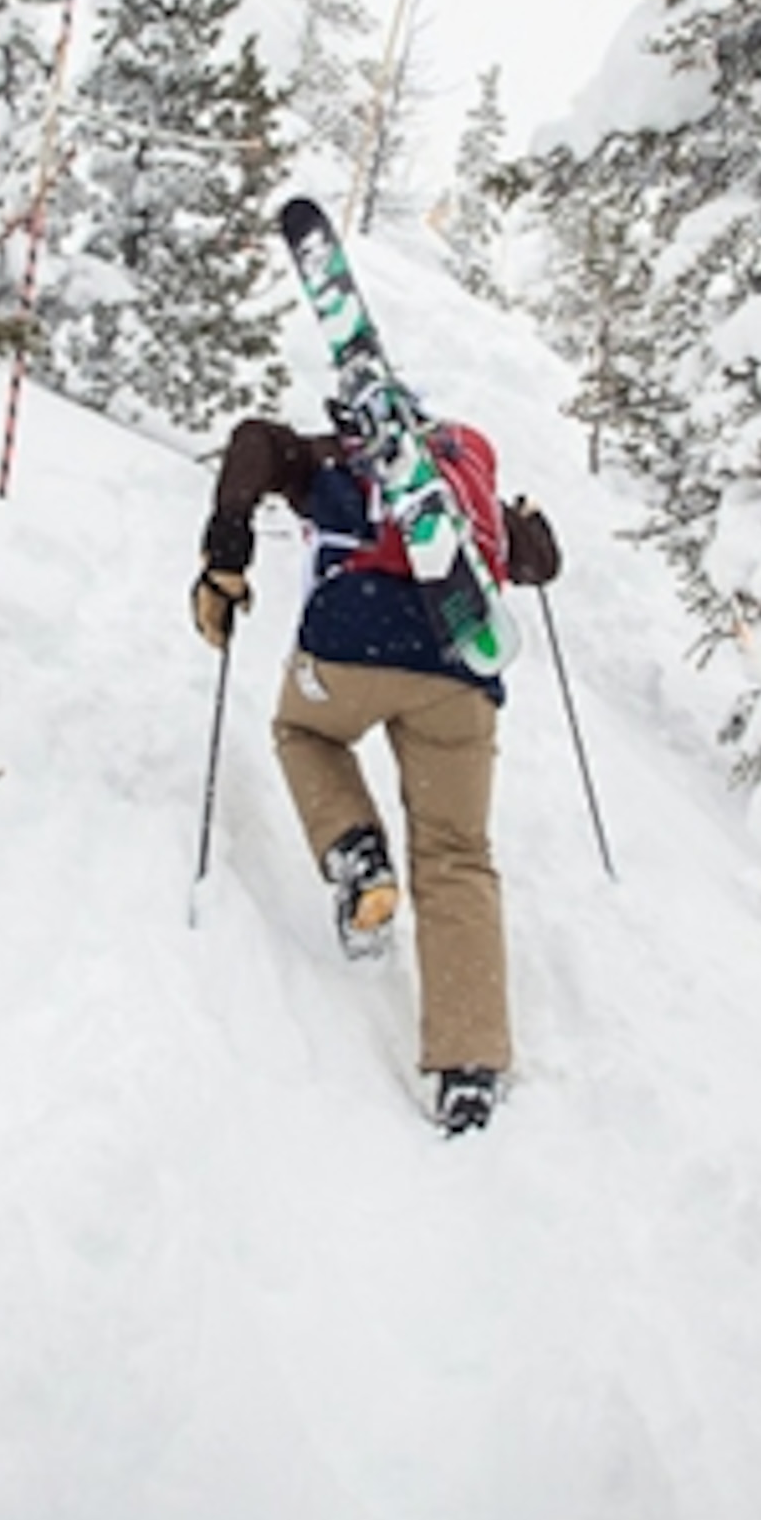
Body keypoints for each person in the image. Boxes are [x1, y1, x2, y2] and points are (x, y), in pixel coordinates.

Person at [190, 407, 561, 1136]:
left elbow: (254, 445)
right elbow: (541, 566)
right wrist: (530, 525)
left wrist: (224, 559)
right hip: (459, 666)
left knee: (303, 733)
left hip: (348, 641)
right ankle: (467, 1071)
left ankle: (356, 852)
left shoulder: (340, 463)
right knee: (457, 855)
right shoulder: (470, 493)